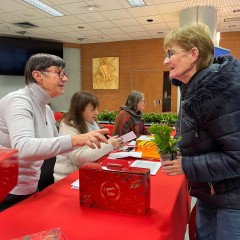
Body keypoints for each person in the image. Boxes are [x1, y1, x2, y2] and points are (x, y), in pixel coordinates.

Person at [0, 53, 108, 212]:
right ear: (37, 75)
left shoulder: (47, 109)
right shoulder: (19, 101)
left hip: (28, 186)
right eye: (59, 72)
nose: (65, 79)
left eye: (64, 73)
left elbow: (52, 147)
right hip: (6, 189)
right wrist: (76, 140)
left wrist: (83, 141)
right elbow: (22, 148)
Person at [161, 23, 240, 240]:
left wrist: (186, 164)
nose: (166, 61)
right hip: (210, 192)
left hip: (232, 202)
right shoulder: (194, 90)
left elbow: (237, 157)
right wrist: (178, 151)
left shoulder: (223, 93)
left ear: (194, 54)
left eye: (171, 53)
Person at [53, 91, 122, 182]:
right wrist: (110, 145)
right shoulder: (68, 126)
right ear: (80, 110)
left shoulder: (91, 123)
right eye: (93, 110)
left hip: (88, 173)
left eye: (96, 109)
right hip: (69, 178)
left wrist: (113, 143)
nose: (97, 113)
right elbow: (79, 157)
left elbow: (98, 147)